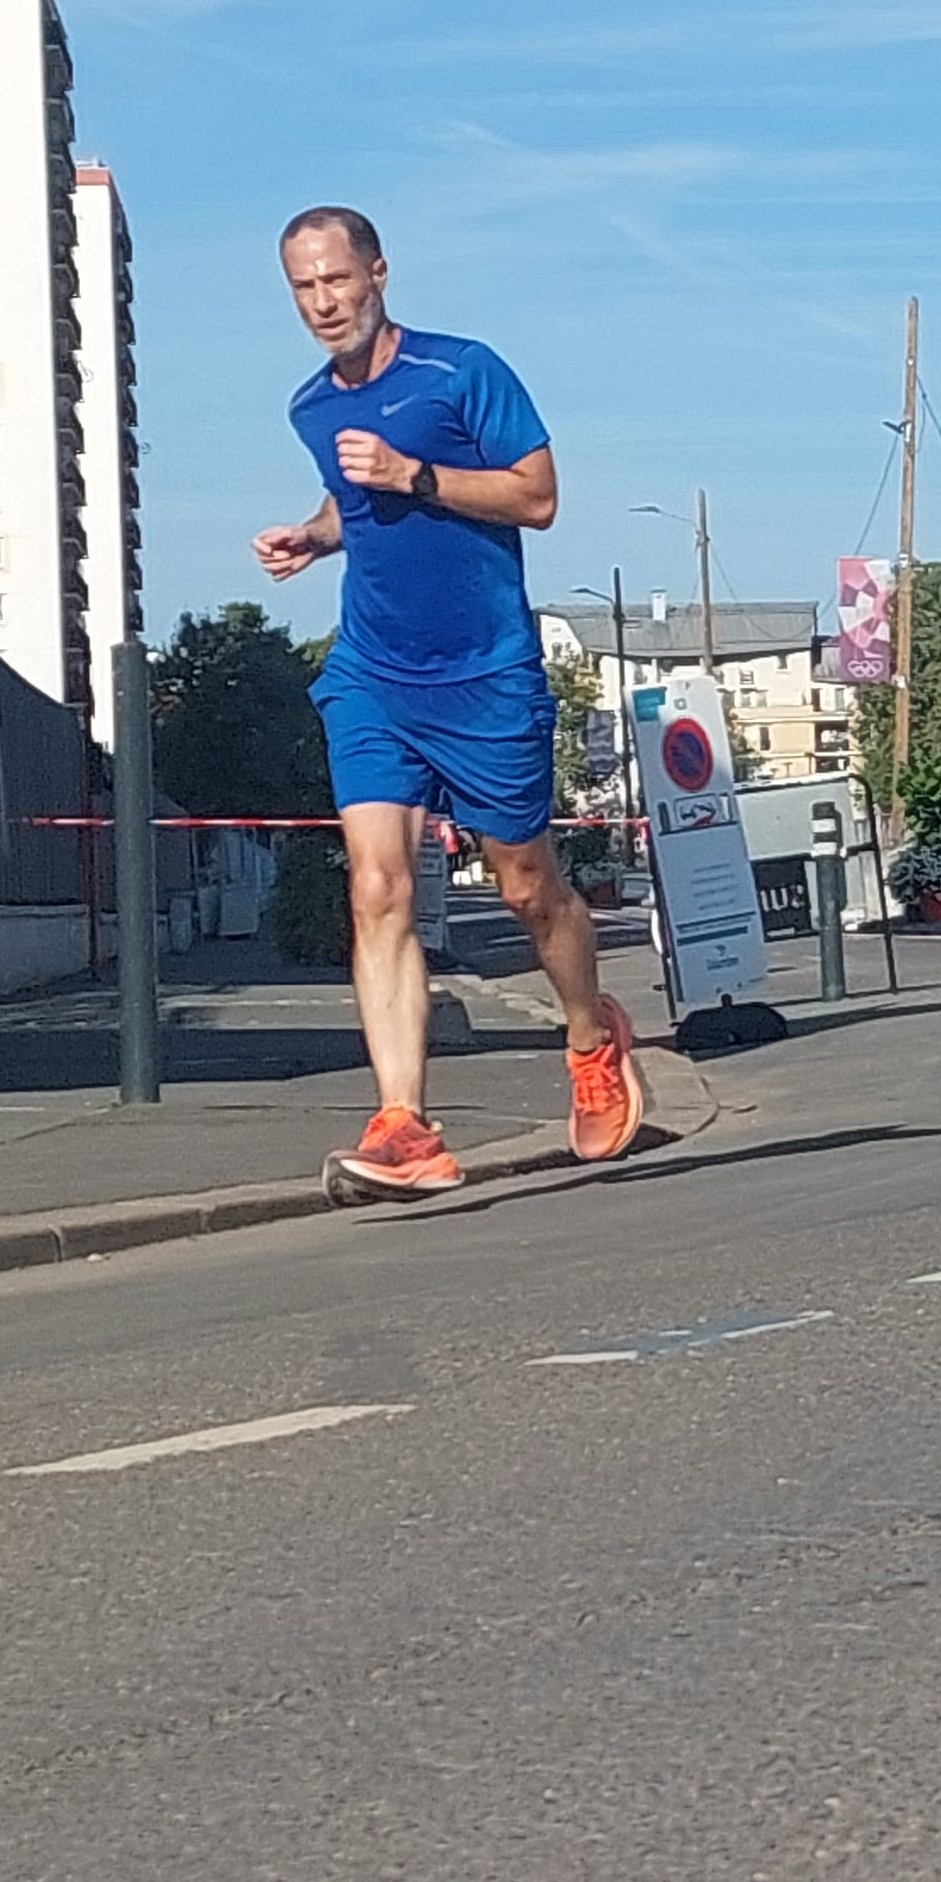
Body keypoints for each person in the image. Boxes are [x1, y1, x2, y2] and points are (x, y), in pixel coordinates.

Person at [253, 205, 645, 1196]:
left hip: (485, 674)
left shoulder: (462, 372)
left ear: (378, 273)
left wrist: (414, 473)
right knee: (376, 888)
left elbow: (537, 496)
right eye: (302, 287)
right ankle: (404, 1125)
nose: (321, 303)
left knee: (526, 887)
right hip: (374, 672)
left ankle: (594, 1038)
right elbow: (358, 500)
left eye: (336, 280)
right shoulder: (310, 405)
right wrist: (317, 532)